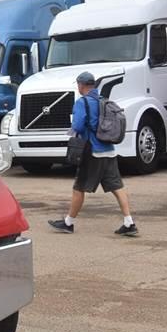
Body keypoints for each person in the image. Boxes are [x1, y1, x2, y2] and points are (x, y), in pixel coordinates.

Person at [49, 72, 138, 236]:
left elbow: (78, 125)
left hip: (92, 151)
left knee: (79, 188)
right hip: (109, 151)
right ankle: (129, 222)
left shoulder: (82, 102)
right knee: (117, 187)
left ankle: (68, 223)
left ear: (81, 85)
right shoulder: (104, 100)